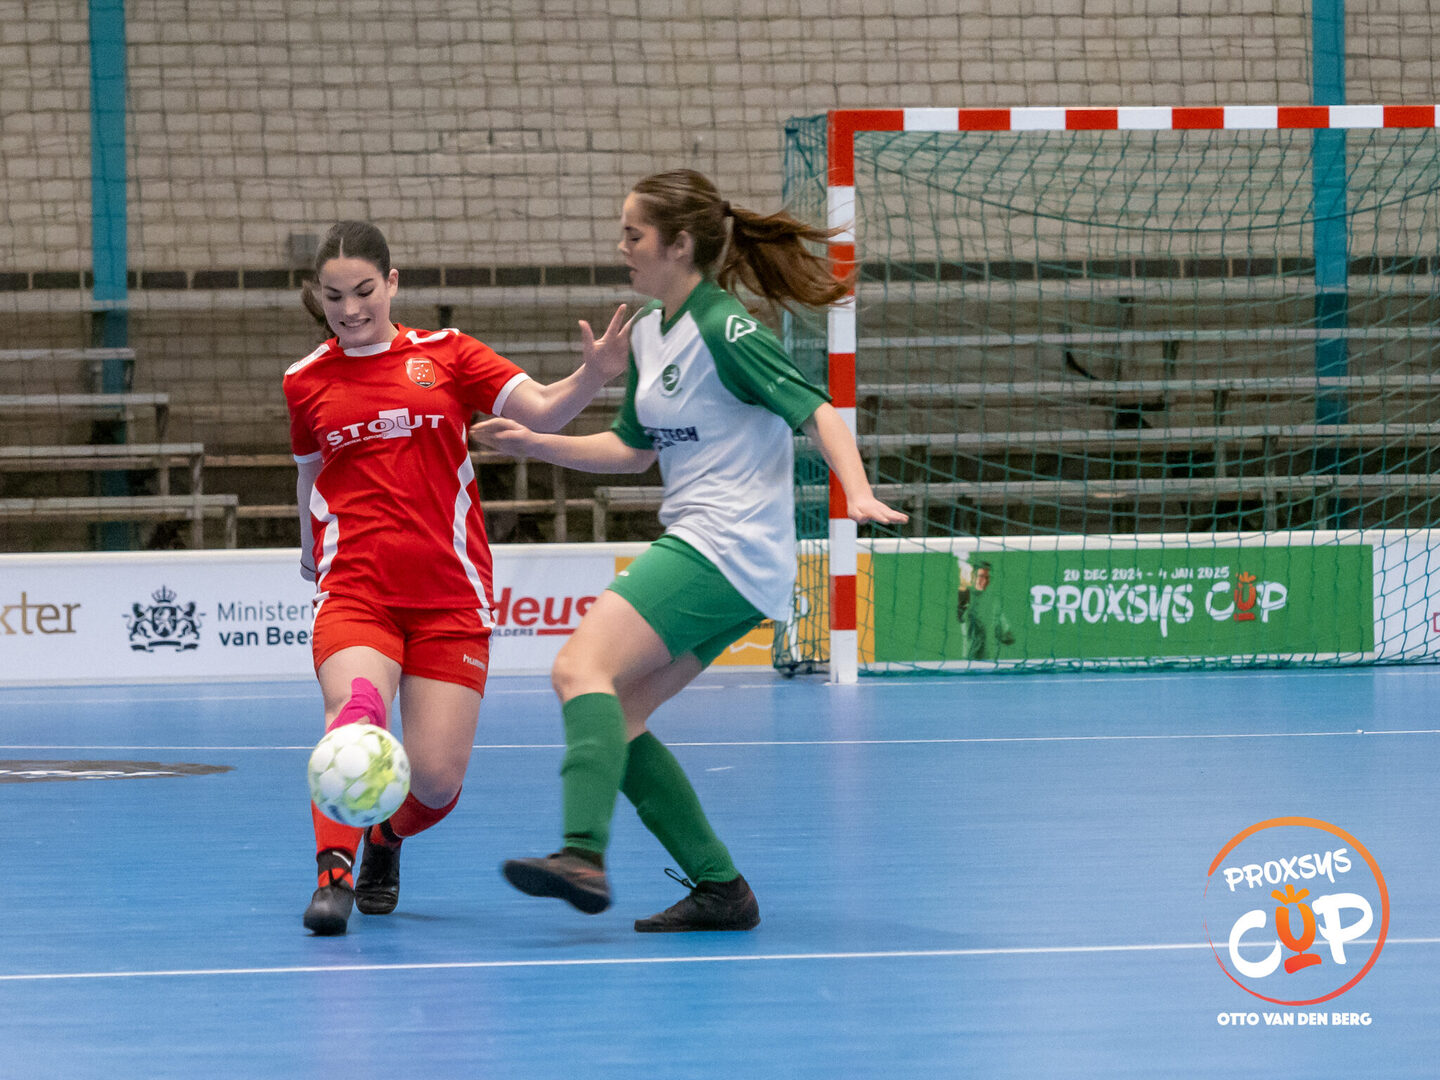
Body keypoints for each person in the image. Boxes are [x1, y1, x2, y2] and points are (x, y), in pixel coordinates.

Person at [471, 169, 907, 932]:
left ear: (678, 244)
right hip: (716, 549)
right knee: (621, 714)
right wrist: (537, 443)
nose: (621, 247)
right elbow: (633, 450)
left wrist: (858, 491)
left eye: (633, 234)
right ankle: (720, 887)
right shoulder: (648, 332)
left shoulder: (728, 330)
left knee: (579, 669)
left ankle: (581, 852)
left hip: (728, 543)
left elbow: (818, 411)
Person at [286, 220, 634, 935]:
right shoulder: (305, 380)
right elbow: (310, 473)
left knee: (438, 783)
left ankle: (385, 837)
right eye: (333, 296)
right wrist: (307, 547)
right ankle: (332, 877)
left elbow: (543, 409)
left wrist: (594, 376)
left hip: (450, 597)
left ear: (392, 283)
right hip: (356, 588)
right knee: (355, 713)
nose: (350, 309)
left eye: (364, 291)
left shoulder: (446, 354)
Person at [955, 558, 1015, 660]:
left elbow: (1005, 634)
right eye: (981, 576)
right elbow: (961, 615)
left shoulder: (994, 601)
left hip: (990, 658)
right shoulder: (966, 597)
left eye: (987, 577)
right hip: (971, 659)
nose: (985, 580)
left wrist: (1006, 634)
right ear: (973, 577)